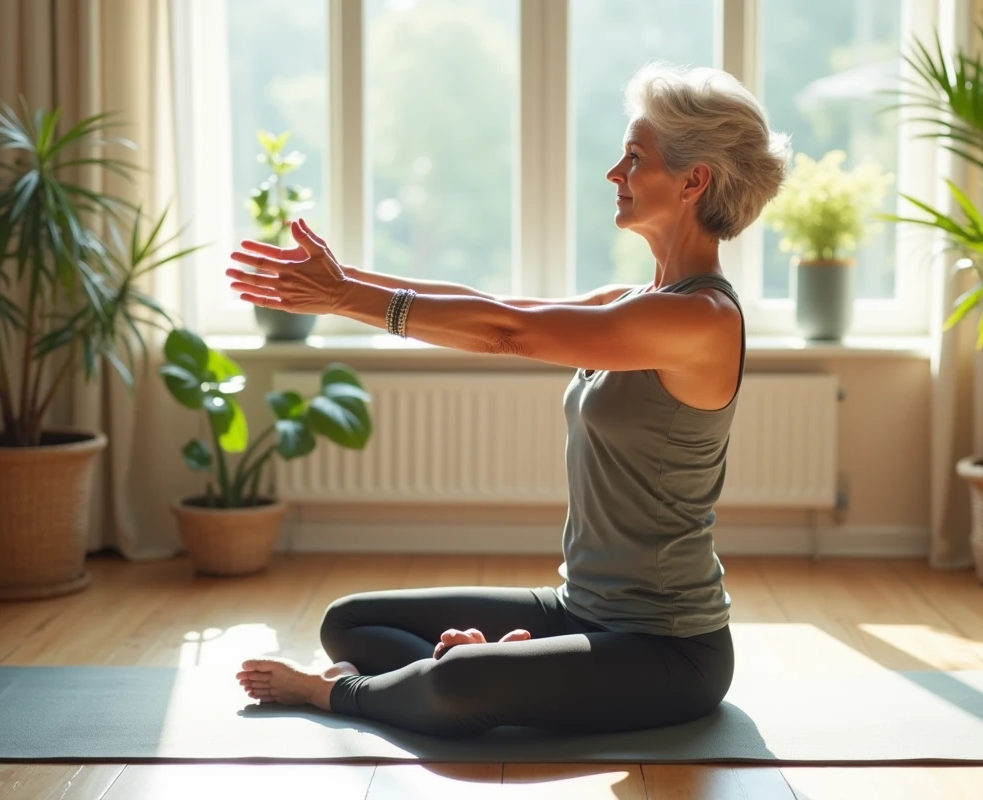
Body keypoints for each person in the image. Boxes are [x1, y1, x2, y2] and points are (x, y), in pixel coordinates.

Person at [229, 63, 790, 737]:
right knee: (348, 620)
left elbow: (507, 334)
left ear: (692, 180)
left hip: (667, 648)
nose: (615, 173)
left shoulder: (702, 320)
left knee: (461, 682)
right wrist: (339, 281)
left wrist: (346, 299)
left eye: (634, 158)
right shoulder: (632, 303)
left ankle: (344, 693)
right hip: (577, 611)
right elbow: (494, 306)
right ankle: (482, 675)